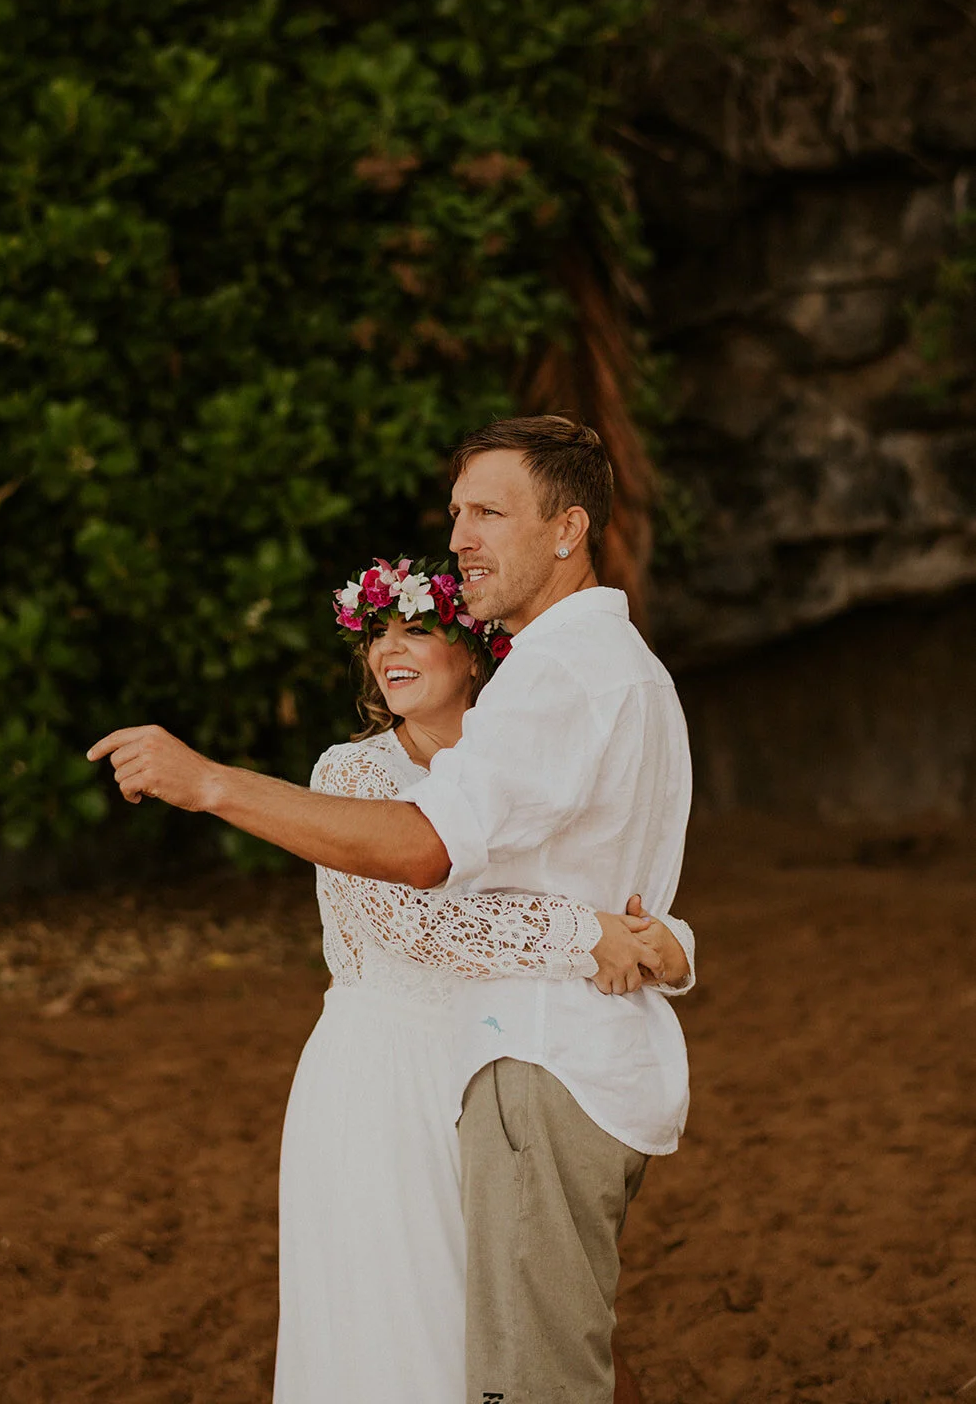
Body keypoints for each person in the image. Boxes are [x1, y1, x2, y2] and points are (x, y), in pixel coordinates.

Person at [88, 413, 696, 1404]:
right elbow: (446, 914)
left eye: (488, 510)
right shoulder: (373, 763)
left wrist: (210, 783)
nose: (461, 534)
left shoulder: (549, 688)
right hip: (417, 1067)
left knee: (504, 1357)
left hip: (519, 1063)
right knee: (416, 1329)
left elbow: (429, 859)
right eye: (456, 510)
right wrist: (603, 935)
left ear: (567, 529)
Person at [271, 558, 690, 1403]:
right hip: (383, 1077)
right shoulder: (349, 778)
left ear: (475, 655)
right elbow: (416, 926)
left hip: (509, 1060)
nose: (389, 651)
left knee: (526, 1311)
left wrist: (665, 939)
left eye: (416, 630)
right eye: (375, 635)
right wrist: (589, 937)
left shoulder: (518, 769)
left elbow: (587, 878)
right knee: (407, 1310)